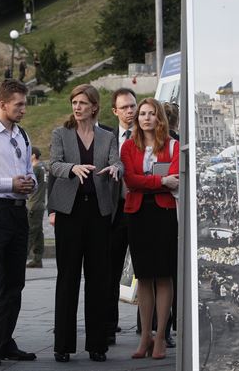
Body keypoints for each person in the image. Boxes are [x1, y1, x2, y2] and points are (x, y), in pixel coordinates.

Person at [48, 84, 123, 363]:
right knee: (67, 278)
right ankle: (63, 345)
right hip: (69, 212)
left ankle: (97, 344)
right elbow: (53, 164)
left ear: (94, 107)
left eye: (82, 103)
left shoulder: (107, 136)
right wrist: (72, 168)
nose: (77, 107)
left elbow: (118, 163)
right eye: (73, 103)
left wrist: (116, 168)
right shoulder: (61, 133)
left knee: (98, 280)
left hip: (99, 212)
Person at [122, 98, 179, 360]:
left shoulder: (172, 145)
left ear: (159, 118)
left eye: (151, 113)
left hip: (163, 213)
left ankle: (160, 337)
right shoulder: (128, 147)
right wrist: (159, 180)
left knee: (164, 275)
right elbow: (130, 179)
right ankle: (145, 336)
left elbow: (175, 180)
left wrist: (150, 182)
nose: (145, 117)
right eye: (142, 113)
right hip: (137, 213)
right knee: (144, 276)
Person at [0, 79, 37, 365]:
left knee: (15, 282)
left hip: (19, 212)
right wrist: (11, 183)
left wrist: (29, 182)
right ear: (2, 104)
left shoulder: (22, 135)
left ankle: (4, 340)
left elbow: (28, 168)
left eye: (24, 103)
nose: (23, 109)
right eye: (18, 104)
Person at [106, 88, 137, 346]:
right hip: (116, 212)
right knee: (111, 269)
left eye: (132, 106)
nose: (130, 111)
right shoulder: (106, 136)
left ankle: (149, 326)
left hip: (143, 211)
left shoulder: (148, 135)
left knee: (148, 270)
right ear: (115, 111)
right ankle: (109, 324)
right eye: (125, 107)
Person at [26, 147, 46, 268]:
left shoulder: (35, 168)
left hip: (33, 203)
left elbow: (28, 184)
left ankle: (23, 256)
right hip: (40, 203)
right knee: (38, 232)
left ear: (33, 156)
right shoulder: (43, 168)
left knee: (30, 232)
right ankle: (37, 259)